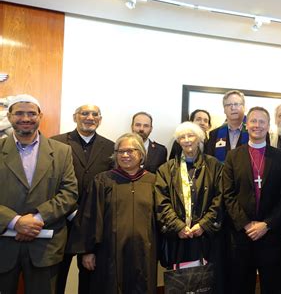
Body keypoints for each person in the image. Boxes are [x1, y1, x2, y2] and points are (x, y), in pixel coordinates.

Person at [0, 94, 78, 294]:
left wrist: (36, 219)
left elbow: (69, 193)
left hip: (45, 246)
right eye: (19, 113)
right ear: (9, 116)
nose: (25, 118)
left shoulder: (62, 152)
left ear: (40, 115)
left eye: (31, 113)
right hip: (4, 245)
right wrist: (15, 221)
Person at [70, 133, 159, 293]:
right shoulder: (102, 181)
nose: (125, 155)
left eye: (130, 151)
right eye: (120, 151)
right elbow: (90, 217)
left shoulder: (153, 182)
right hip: (108, 253)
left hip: (144, 253)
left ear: (141, 154)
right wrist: (88, 251)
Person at [222, 106, 281, 294]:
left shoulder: (280, 157)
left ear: (268, 126)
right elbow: (227, 195)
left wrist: (266, 225)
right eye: (253, 121)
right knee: (241, 285)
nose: (257, 125)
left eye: (262, 122)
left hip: (270, 234)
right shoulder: (233, 156)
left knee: (272, 285)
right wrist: (246, 224)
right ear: (246, 125)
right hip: (242, 235)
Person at [52, 104, 115, 294]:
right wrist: (71, 211)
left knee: (90, 278)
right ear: (75, 117)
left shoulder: (111, 147)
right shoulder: (56, 143)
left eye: (95, 114)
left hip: (93, 225)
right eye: (84, 113)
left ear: (100, 119)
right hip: (62, 221)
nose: (90, 117)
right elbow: (49, 183)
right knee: (56, 277)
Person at [156, 122, 223, 287]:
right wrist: (178, 226)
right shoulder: (165, 169)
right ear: (178, 141)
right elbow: (161, 202)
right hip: (178, 238)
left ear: (199, 138)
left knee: (207, 284)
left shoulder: (214, 166)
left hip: (206, 237)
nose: (187, 140)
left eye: (191, 135)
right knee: (180, 284)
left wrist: (204, 225)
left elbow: (220, 199)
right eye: (182, 137)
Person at [205, 90, 248, 162]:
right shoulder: (214, 134)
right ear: (224, 110)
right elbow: (210, 163)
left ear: (244, 107)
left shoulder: (255, 132)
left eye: (236, 104)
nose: (233, 108)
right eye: (229, 105)